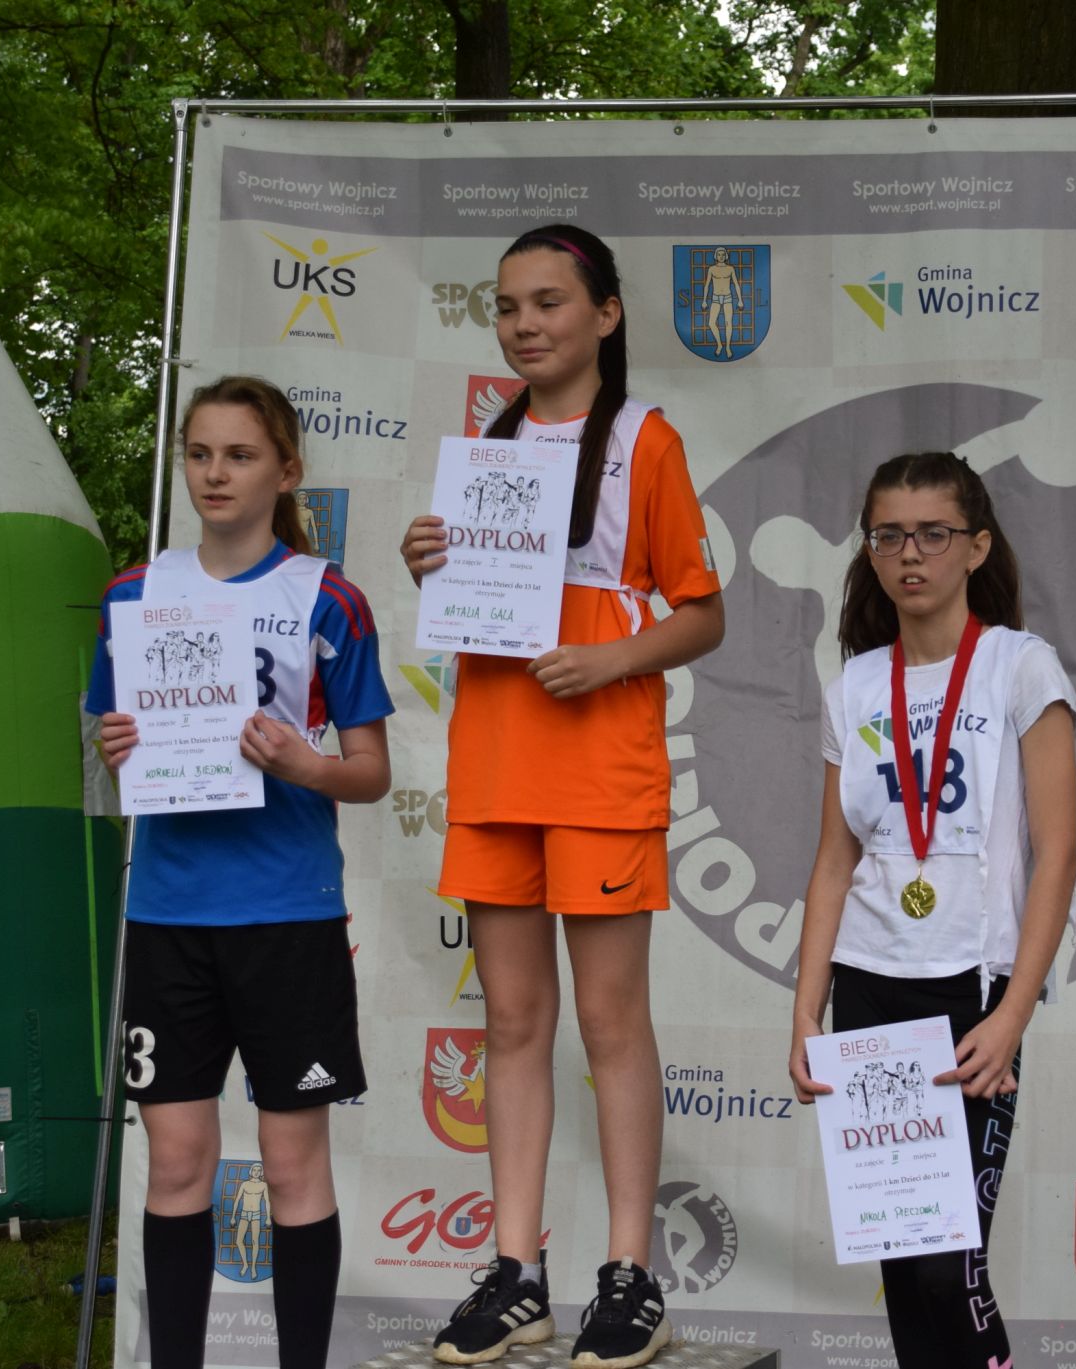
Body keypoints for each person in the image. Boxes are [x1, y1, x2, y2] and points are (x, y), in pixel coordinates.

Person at [400, 224, 725, 1369]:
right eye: (506, 307)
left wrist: (612, 659)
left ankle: (630, 1275)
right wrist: (430, 559)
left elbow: (702, 611)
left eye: (546, 302)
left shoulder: (645, 439)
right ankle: (515, 1272)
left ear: (604, 315)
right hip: (495, 762)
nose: (523, 324)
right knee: (510, 1022)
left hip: (597, 765)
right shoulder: (484, 450)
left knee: (609, 1022)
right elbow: (477, 599)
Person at [89, 374, 394, 1369]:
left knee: (292, 1164)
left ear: (286, 471)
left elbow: (371, 770)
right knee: (177, 1161)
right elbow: (100, 753)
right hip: (168, 912)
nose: (214, 473)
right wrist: (114, 747)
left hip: (285, 914)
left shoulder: (327, 597)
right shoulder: (134, 595)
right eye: (199, 454)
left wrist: (306, 766)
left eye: (240, 455)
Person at [787, 452, 1076, 1369]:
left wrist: (1014, 1013)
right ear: (870, 550)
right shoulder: (854, 687)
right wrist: (806, 1009)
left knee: (952, 1266)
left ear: (976, 546)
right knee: (903, 1260)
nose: (910, 553)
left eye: (933, 533)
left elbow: (1058, 854)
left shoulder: (1020, 666)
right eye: (889, 535)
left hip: (973, 990)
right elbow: (834, 859)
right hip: (869, 986)